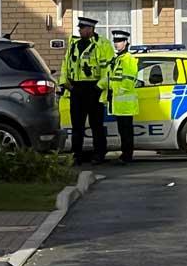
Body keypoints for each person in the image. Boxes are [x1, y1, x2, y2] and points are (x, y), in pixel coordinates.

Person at [59, 17, 115, 165]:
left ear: (90, 29)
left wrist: (99, 87)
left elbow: (109, 68)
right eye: (79, 28)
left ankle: (99, 154)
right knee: (77, 125)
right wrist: (65, 83)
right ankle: (76, 155)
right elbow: (65, 64)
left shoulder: (103, 44)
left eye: (82, 28)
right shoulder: (74, 44)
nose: (80, 30)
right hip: (76, 88)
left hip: (94, 88)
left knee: (96, 125)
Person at [100, 30, 139, 164]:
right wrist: (99, 86)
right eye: (115, 41)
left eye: (120, 41)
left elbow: (128, 80)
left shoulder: (128, 59)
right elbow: (110, 78)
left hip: (125, 103)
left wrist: (116, 91)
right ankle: (125, 154)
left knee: (126, 131)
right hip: (118, 103)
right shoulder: (117, 60)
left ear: (126, 42)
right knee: (122, 130)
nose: (116, 44)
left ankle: (127, 155)